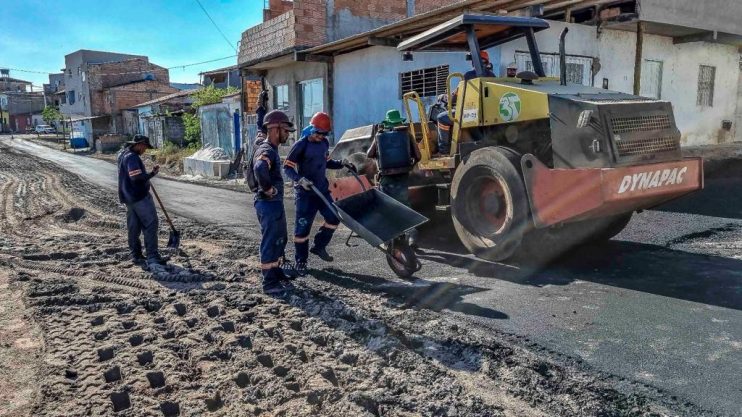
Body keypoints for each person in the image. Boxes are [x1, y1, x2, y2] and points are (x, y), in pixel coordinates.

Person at [284, 112, 355, 277]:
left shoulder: (323, 143)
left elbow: (326, 162)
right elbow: (287, 167)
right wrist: (299, 179)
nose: (321, 136)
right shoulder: (301, 145)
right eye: (318, 133)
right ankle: (301, 260)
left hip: (322, 190)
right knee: (302, 228)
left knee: (334, 217)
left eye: (324, 134)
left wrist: (341, 164)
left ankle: (319, 245)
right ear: (312, 129)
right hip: (306, 193)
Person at [252, 110, 297, 295]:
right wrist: (269, 189)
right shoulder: (267, 150)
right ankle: (269, 282)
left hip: (273, 204)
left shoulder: (270, 147)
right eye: (285, 130)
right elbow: (259, 167)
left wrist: (260, 109)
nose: (287, 134)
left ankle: (277, 272)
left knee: (280, 238)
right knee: (271, 240)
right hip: (268, 203)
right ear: (275, 130)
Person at [367, 109, 422, 246]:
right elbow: (418, 156)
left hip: (386, 177)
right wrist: (409, 167)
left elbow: (369, 154)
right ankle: (411, 231)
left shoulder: (380, 135)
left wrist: (377, 138)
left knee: (387, 207)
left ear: (387, 122)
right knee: (404, 205)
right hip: (403, 176)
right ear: (399, 121)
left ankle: (390, 239)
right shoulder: (407, 135)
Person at [117, 134, 166, 267]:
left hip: (128, 198)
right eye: (144, 147)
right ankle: (153, 257)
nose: (145, 150)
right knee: (151, 223)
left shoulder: (123, 155)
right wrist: (151, 174)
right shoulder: (132, 157)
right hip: (139, 197)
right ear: (138, 144)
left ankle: (136, 255)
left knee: (134, 227)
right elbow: (136, 177)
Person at [436, 50, 496, 154]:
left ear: (473, 62)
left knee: (441, 118)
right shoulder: (493, 76)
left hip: (469, 113)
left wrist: (444, 97)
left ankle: (443, 150)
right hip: (487, 114)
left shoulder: (469, 75)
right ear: (487, 62)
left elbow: (456, 97)